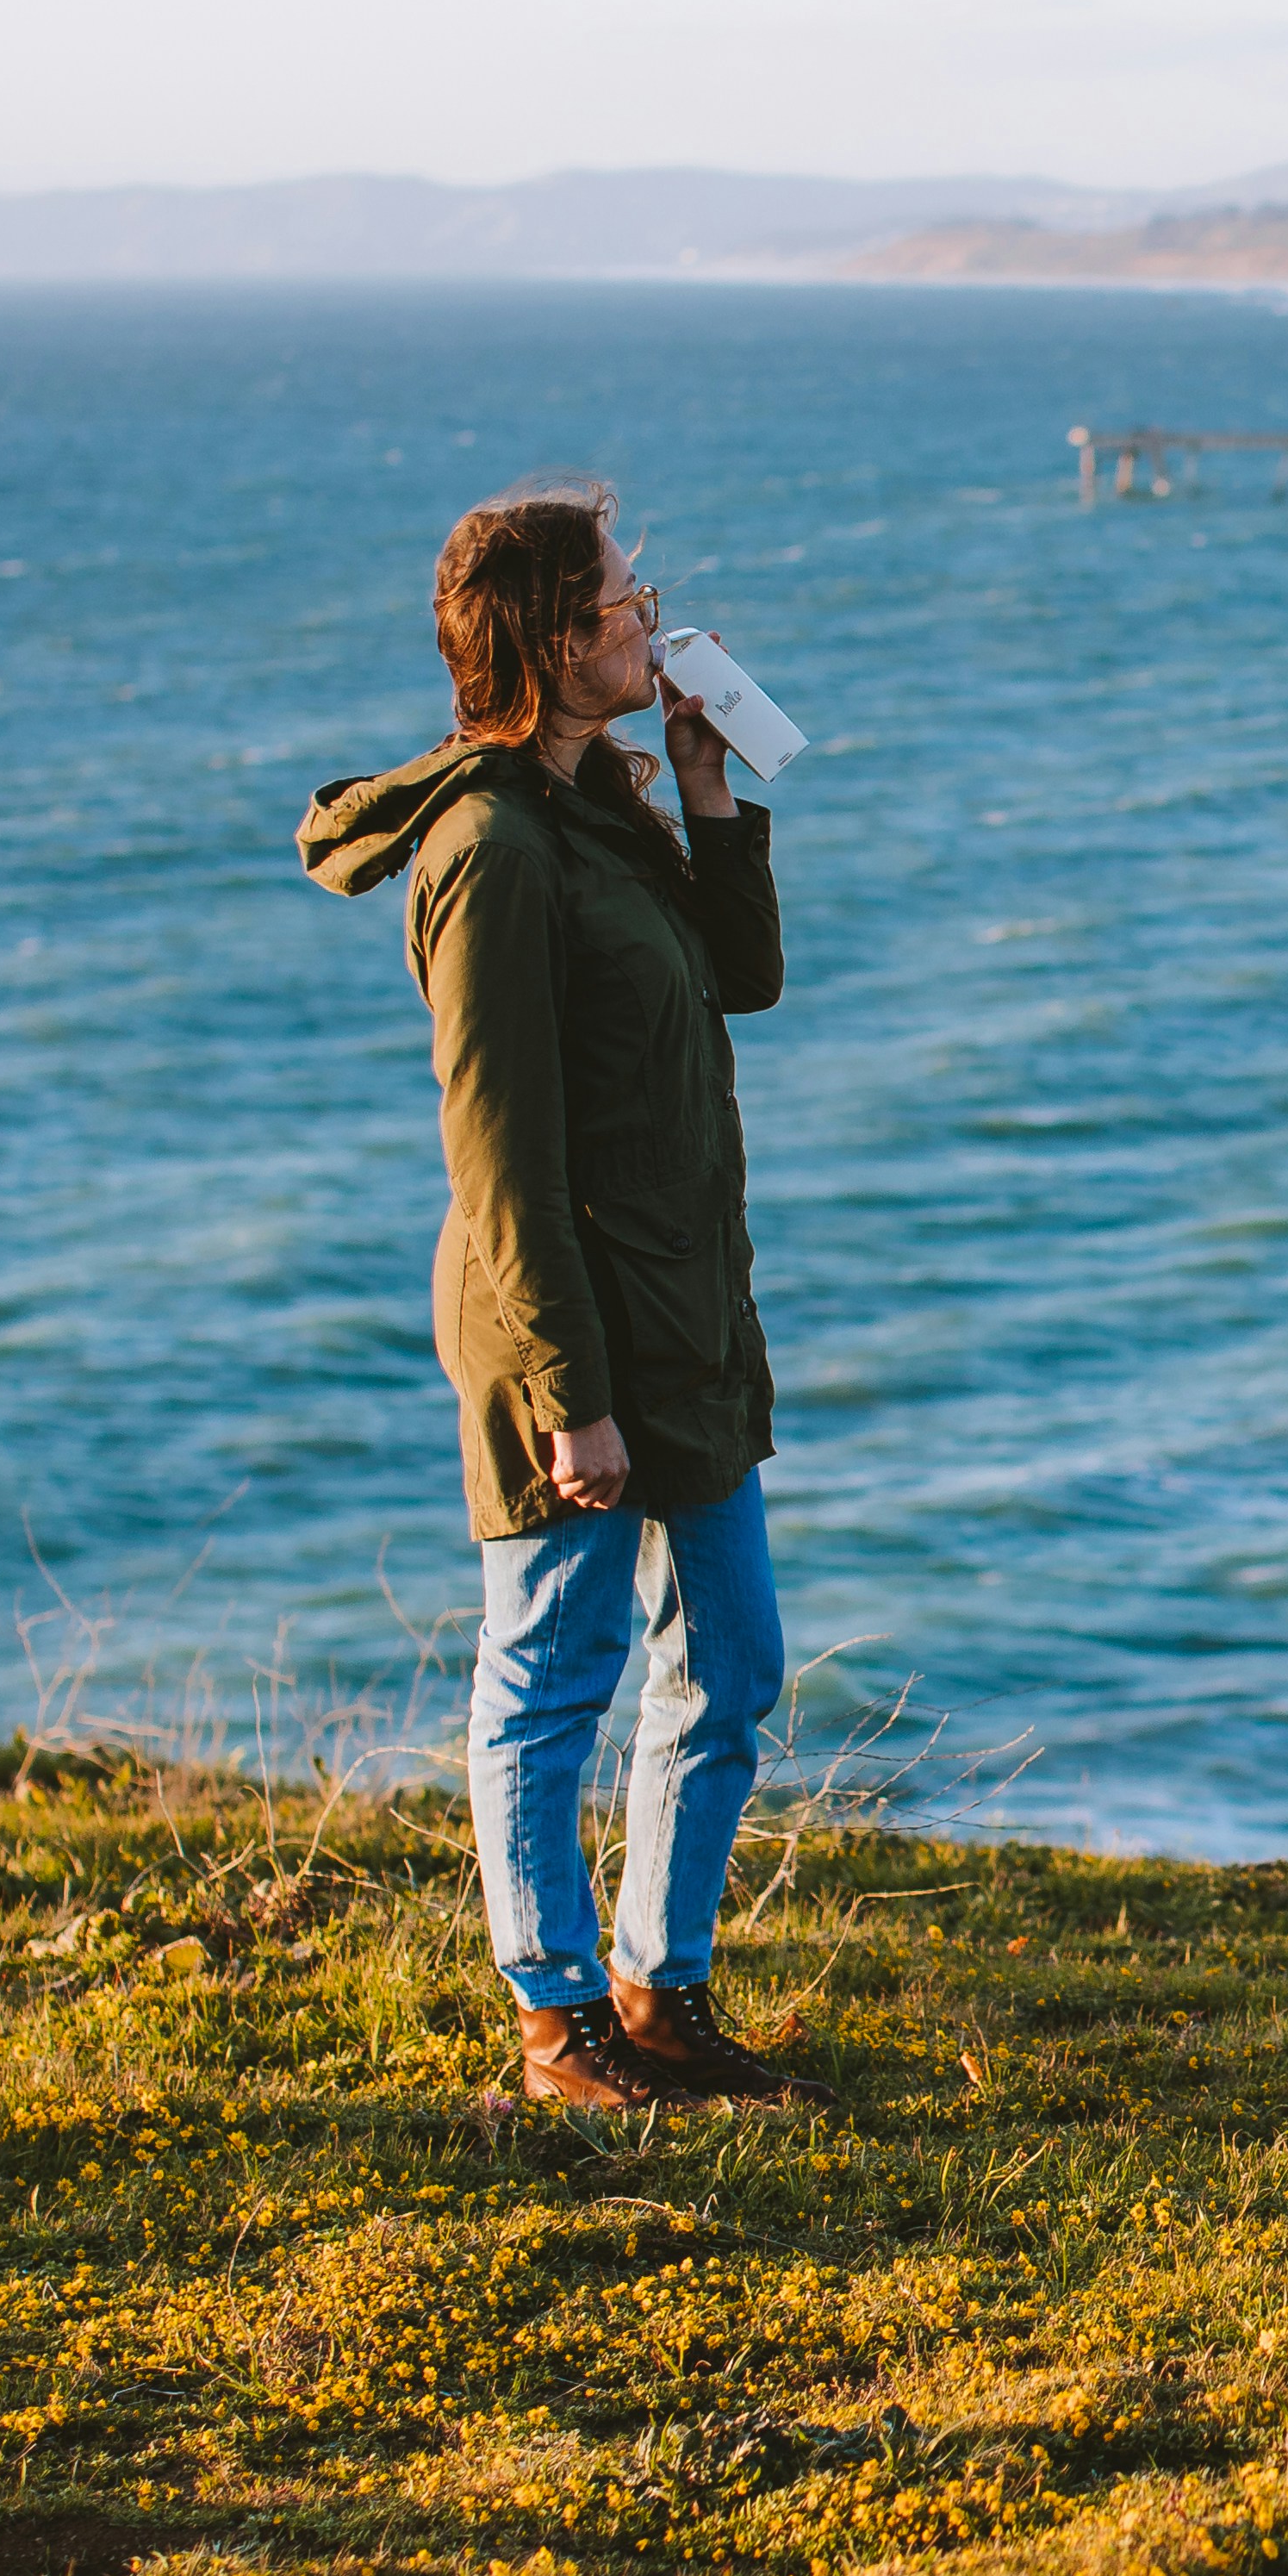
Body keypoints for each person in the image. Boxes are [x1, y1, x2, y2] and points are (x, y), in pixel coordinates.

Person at [300, 477, 815, 2111]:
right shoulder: (489, 852)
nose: (648, 620)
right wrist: (566, 1393)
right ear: (545, 638)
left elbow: (743, 980)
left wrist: (710, 787)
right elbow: (499, 1152)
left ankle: (664, 1998)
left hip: (682, 1308)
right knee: (548, 1671)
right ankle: (556, 2021)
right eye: (618, 604)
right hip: (567, 1329)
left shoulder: (600, 803)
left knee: (729, 1663)